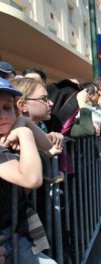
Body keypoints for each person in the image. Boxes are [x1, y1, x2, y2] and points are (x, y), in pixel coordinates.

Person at [0, 77, 56, 263]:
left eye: (7, 107)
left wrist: (23, 121)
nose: (2, 115)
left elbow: (46, 144)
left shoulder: (8, 134)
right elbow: (31, 179)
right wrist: (24, 134)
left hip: (14, 234)